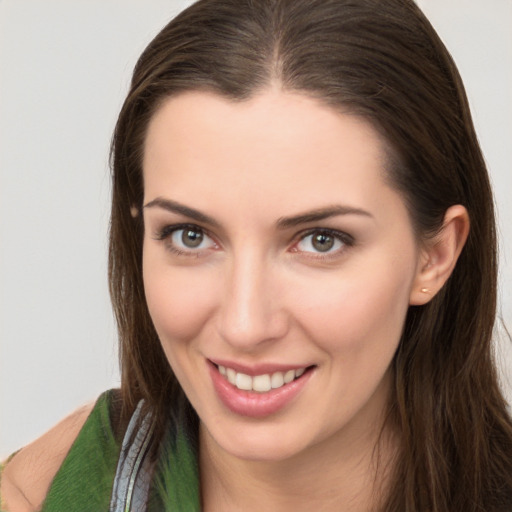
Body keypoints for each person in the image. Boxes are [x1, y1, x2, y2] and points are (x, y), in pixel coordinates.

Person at [2, 0, 512, 510]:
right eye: (191, 235)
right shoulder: (42, 493)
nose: (245, 326)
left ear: (435, 256)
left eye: (320, 240)